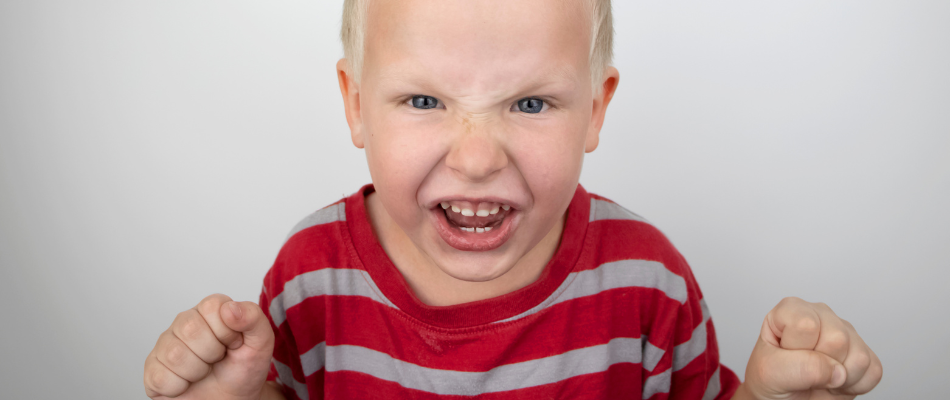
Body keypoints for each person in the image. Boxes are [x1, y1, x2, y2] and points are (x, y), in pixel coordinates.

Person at [143, 0, 883, 399]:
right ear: (356, 102)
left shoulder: (648, 284)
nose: (475, 156)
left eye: (530, 104)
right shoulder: (310, 280)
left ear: (595, 108)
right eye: (424, 99)